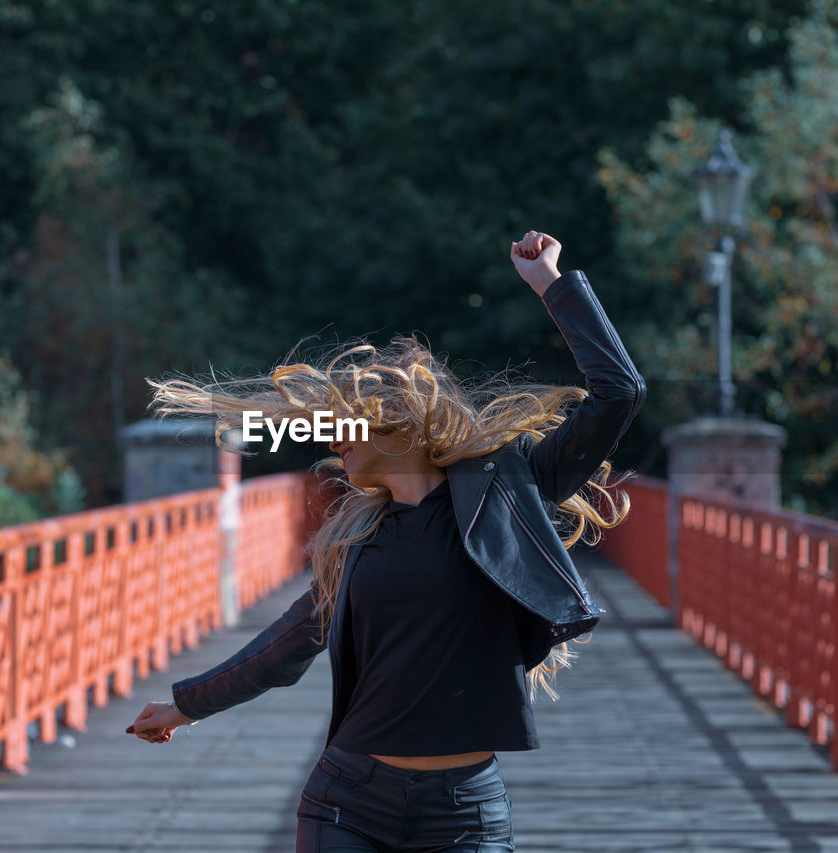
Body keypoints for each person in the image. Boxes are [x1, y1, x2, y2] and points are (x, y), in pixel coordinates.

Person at [126, 231, 646, 851]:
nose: (331, 440)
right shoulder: (355, 538)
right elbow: (284, 646)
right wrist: (187, 706)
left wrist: (550, 283)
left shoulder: (508, 490)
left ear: (396, 425)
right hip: (348, 801)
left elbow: (622, 393)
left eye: (343, 424)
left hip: (466, 812)